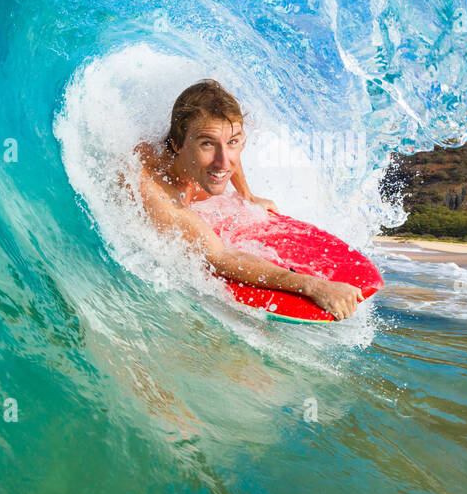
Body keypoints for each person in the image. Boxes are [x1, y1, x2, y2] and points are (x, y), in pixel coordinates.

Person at [125, 79, 364, 321]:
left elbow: (227, 156)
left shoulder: (215, 154)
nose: (223, 161)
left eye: (233, 142)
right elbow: (220, 257)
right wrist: (314, 286)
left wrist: (247, 195)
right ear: (177, 144)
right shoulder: (157, 192)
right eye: (206, 143)